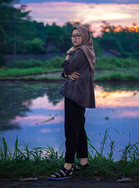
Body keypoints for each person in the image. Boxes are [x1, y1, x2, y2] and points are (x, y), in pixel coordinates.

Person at [49, 25, 96, 180]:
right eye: (73, 36)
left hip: (75, 95)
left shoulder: (80, 52)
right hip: (79, 94)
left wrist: (68, 55)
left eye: (78, 35)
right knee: (79, 128)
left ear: (84, 36)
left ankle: (67, 167)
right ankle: (83, 163)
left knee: (71, 129)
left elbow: (68, 69)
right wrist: (67, 73)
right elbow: (66, 73)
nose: (75, 38)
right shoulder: (86, 50)